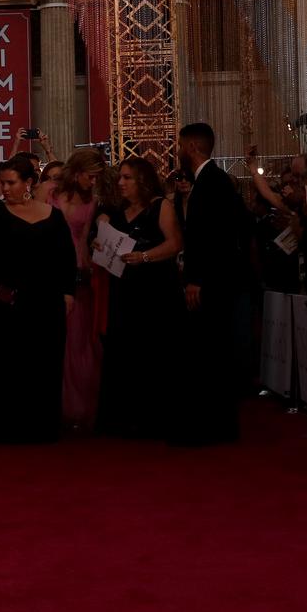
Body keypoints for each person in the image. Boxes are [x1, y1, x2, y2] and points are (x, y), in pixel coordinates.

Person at [0, 154, 77, 441]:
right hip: (8, 300)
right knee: (7, 363)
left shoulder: (54, 215)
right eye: (2, 182)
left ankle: (42, 426)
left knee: (45, 362)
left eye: (11, 182)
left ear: (28, 182)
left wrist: (68, 292)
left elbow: (65, 258)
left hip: (46, 300)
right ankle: (7, 426)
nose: (5, 188)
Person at [171, 123, 250, 445]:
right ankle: (213, 424)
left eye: (179, 144)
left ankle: (212, 426)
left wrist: (195, 280)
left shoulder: (212, 183)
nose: (177, 149)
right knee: (211, 351)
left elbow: (211, 238)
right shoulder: (211, 181)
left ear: (191, 146)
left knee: (210, 352)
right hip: (216, 280)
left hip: (210, 283)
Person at [96, 155, 184, 441]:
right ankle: (125, 417)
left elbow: (175, 244)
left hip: (156, 291)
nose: (120, 183)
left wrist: (144, 257)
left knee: (154, 352)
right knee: (124, 351)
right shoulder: (118, 212)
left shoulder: (161, 206)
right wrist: (101, 243)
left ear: (142, 180)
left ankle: (156, 417)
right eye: (120, 177)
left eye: (127, 177)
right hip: (124, 290)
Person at [54, 148, 105, 429]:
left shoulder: (93, 202)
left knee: (80, 341)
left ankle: (78, 406)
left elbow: (84, 241)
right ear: (76, 172)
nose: (94, 182)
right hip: (50, 269)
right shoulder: (48, 193)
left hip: (77, 273)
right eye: (91, 176)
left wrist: (87, 268)